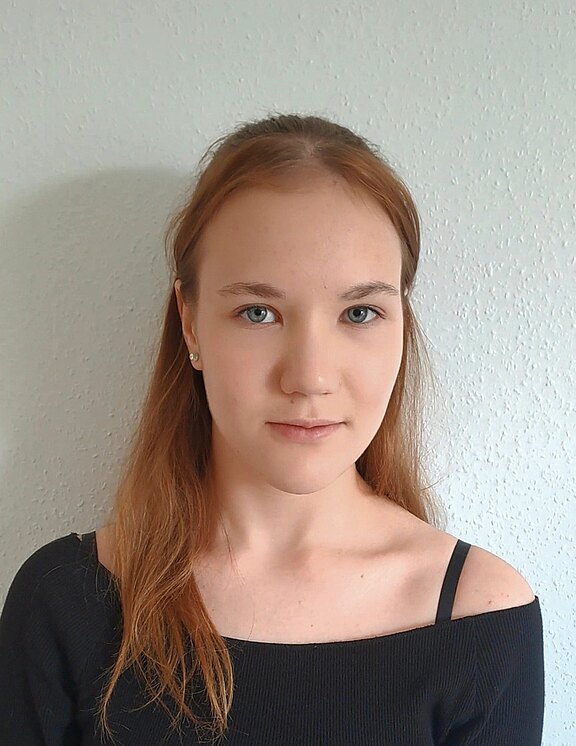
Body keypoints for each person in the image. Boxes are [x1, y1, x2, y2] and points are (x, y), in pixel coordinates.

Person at [0, 113, 544, 745]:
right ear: (190, 323)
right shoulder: (64, 602)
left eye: (359, 313)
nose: (309, 377)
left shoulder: (481, 618)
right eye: (258, 312)